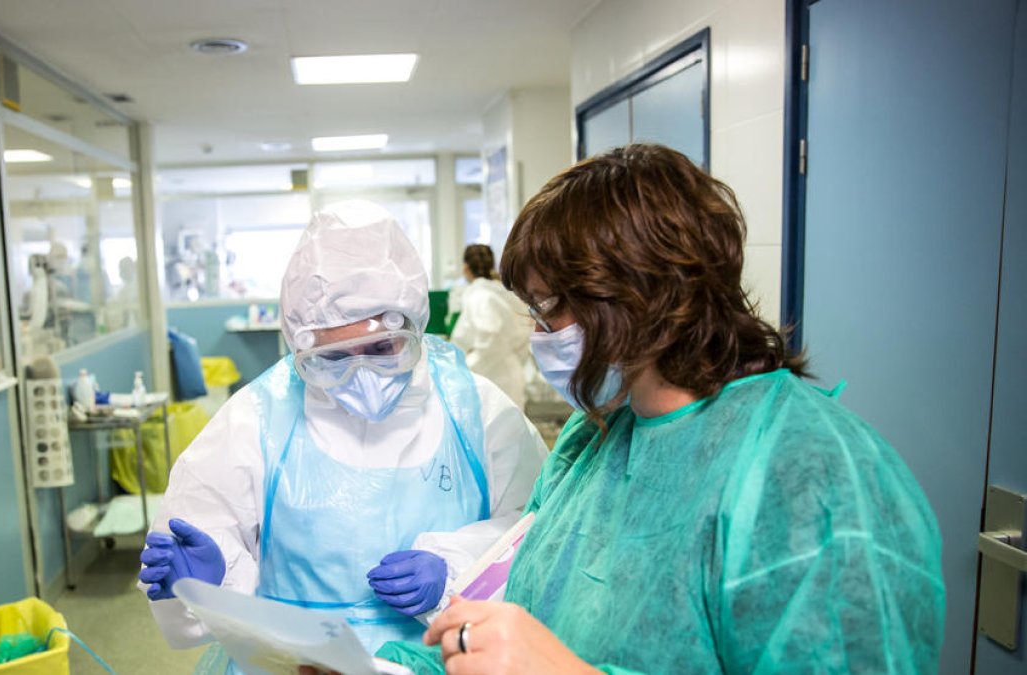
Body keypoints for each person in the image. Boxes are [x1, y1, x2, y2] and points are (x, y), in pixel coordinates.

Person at [375, 145, 945, 674]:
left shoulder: (812, 479)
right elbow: (522, 622)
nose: (539, 335)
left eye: (548, 311)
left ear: (637, 298)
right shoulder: (594, 438)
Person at [138, 200, 548, 672]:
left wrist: (456, 567)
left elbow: (536, 530)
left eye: (382, 348)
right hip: (290, 665)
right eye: (333, 357)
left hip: (441, 659)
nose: (363, 373)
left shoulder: (474, 409)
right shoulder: (257, 418)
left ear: (414, 324)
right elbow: (198, 533)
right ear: (300, 347)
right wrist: (209, 584)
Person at [449, 244, 533, 407]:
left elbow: (489, 339)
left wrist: (465, 368)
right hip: (506, 373)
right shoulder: (501, 293)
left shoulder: (481, 297)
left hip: (493, 378)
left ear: (465, 268)